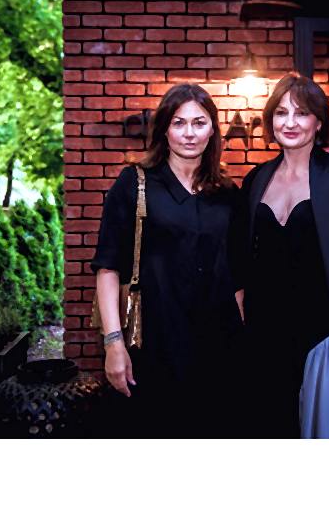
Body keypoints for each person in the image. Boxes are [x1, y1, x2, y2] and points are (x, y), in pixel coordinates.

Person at [229, 73, 329, 438]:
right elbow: (239, 256)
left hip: (324, 335)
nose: (290, 122)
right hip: (264, 337)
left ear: (319, 121)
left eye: (301, 113)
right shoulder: (256, 179)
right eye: (281, 113)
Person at [91, 84, 242, 438]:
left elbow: (238, 275)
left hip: (219, 345)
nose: (189, 133)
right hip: (155, 345)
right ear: (164, 129)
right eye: (179, 122)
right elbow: (108, 268)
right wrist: (113, 343)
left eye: (199, 123)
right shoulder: (134, 183)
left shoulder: (227, 192)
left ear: (212, 130)